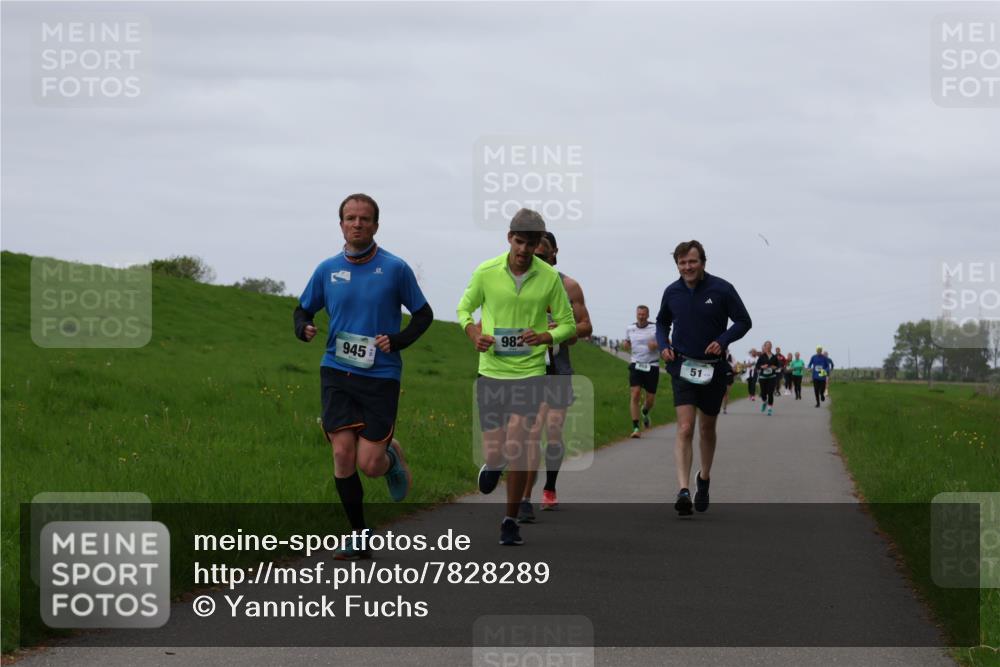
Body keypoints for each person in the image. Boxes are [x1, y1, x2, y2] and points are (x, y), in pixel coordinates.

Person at [294, 193, 433, 560]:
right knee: (342, 452)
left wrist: (397, 340)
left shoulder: (395, 268)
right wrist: (303, 327)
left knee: (368, 465)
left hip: (381, 375)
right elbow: (302, 310)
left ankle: (391, 458)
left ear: (375, 225)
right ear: (341, 224)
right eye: (351, 218)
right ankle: (359, 534)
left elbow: (423, 315)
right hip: (336, 371)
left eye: (365, 219)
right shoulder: (326, 269)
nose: (357, 224)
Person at [456, 209, 576, 545]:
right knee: (497, 451)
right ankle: (492, 463)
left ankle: (510, 520)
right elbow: (464, 309)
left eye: (531, 243)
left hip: (530, 372)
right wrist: (472, 333)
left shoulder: (550, 278)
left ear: (540, 245)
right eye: (519, 241)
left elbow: (567, 323)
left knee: (520, 444)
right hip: (492, 370)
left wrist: (544, 337)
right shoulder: (487, 271)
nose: (523, 249)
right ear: (509, 238)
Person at [656, 240, 752, 516]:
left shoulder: (722, 289)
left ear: (703, 262)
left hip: (713, 368)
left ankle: (704, 478)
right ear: (677, 265)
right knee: (685, 428)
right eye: (682, 263)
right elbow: (662, 322)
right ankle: (683, 489)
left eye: (692, 262)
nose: (687, 267)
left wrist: (722, 340)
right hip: (683, 366)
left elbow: (744, 321)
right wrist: (663, 344)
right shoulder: (671, 292)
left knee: (706, 428)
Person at [519, 232, 592, 519]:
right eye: (533, 254)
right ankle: (524, 498)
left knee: (552, 431)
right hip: (524, 368)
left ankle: (549, 486)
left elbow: (586, 325)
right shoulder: (516, 283)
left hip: (557, 368)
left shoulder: (568, 286)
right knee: (531, 433)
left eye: (544, 254)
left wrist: (560, 331)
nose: (538, 258)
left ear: (554, 253)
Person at [625, 305, 661, 438]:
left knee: (650, 399)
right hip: (636, 364)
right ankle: (635, 428)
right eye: (639, 314)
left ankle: (645, 411)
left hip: (652, 365)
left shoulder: (655, 328)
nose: (641, 317)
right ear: (636, 314)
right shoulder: (630, 328)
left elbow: (667, 341)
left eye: (643, 314)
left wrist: (656, 344)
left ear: (648, 315)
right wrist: (626, 344)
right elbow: (627, 341)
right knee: (635, 394)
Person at [755, 341, 779, 416]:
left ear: (771, 347)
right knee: (763, 393)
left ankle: (769, 409)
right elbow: (757, 366)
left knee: (770, 393)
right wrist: (762, 366)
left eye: (770, 345)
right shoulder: (762, 356)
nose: (768, 347)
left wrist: (773, 367)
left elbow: (777, 366)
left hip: (772, 377)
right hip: (763, 377)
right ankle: (764, 402)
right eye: (767, 345)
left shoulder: (774, 357)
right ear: (765, 347)